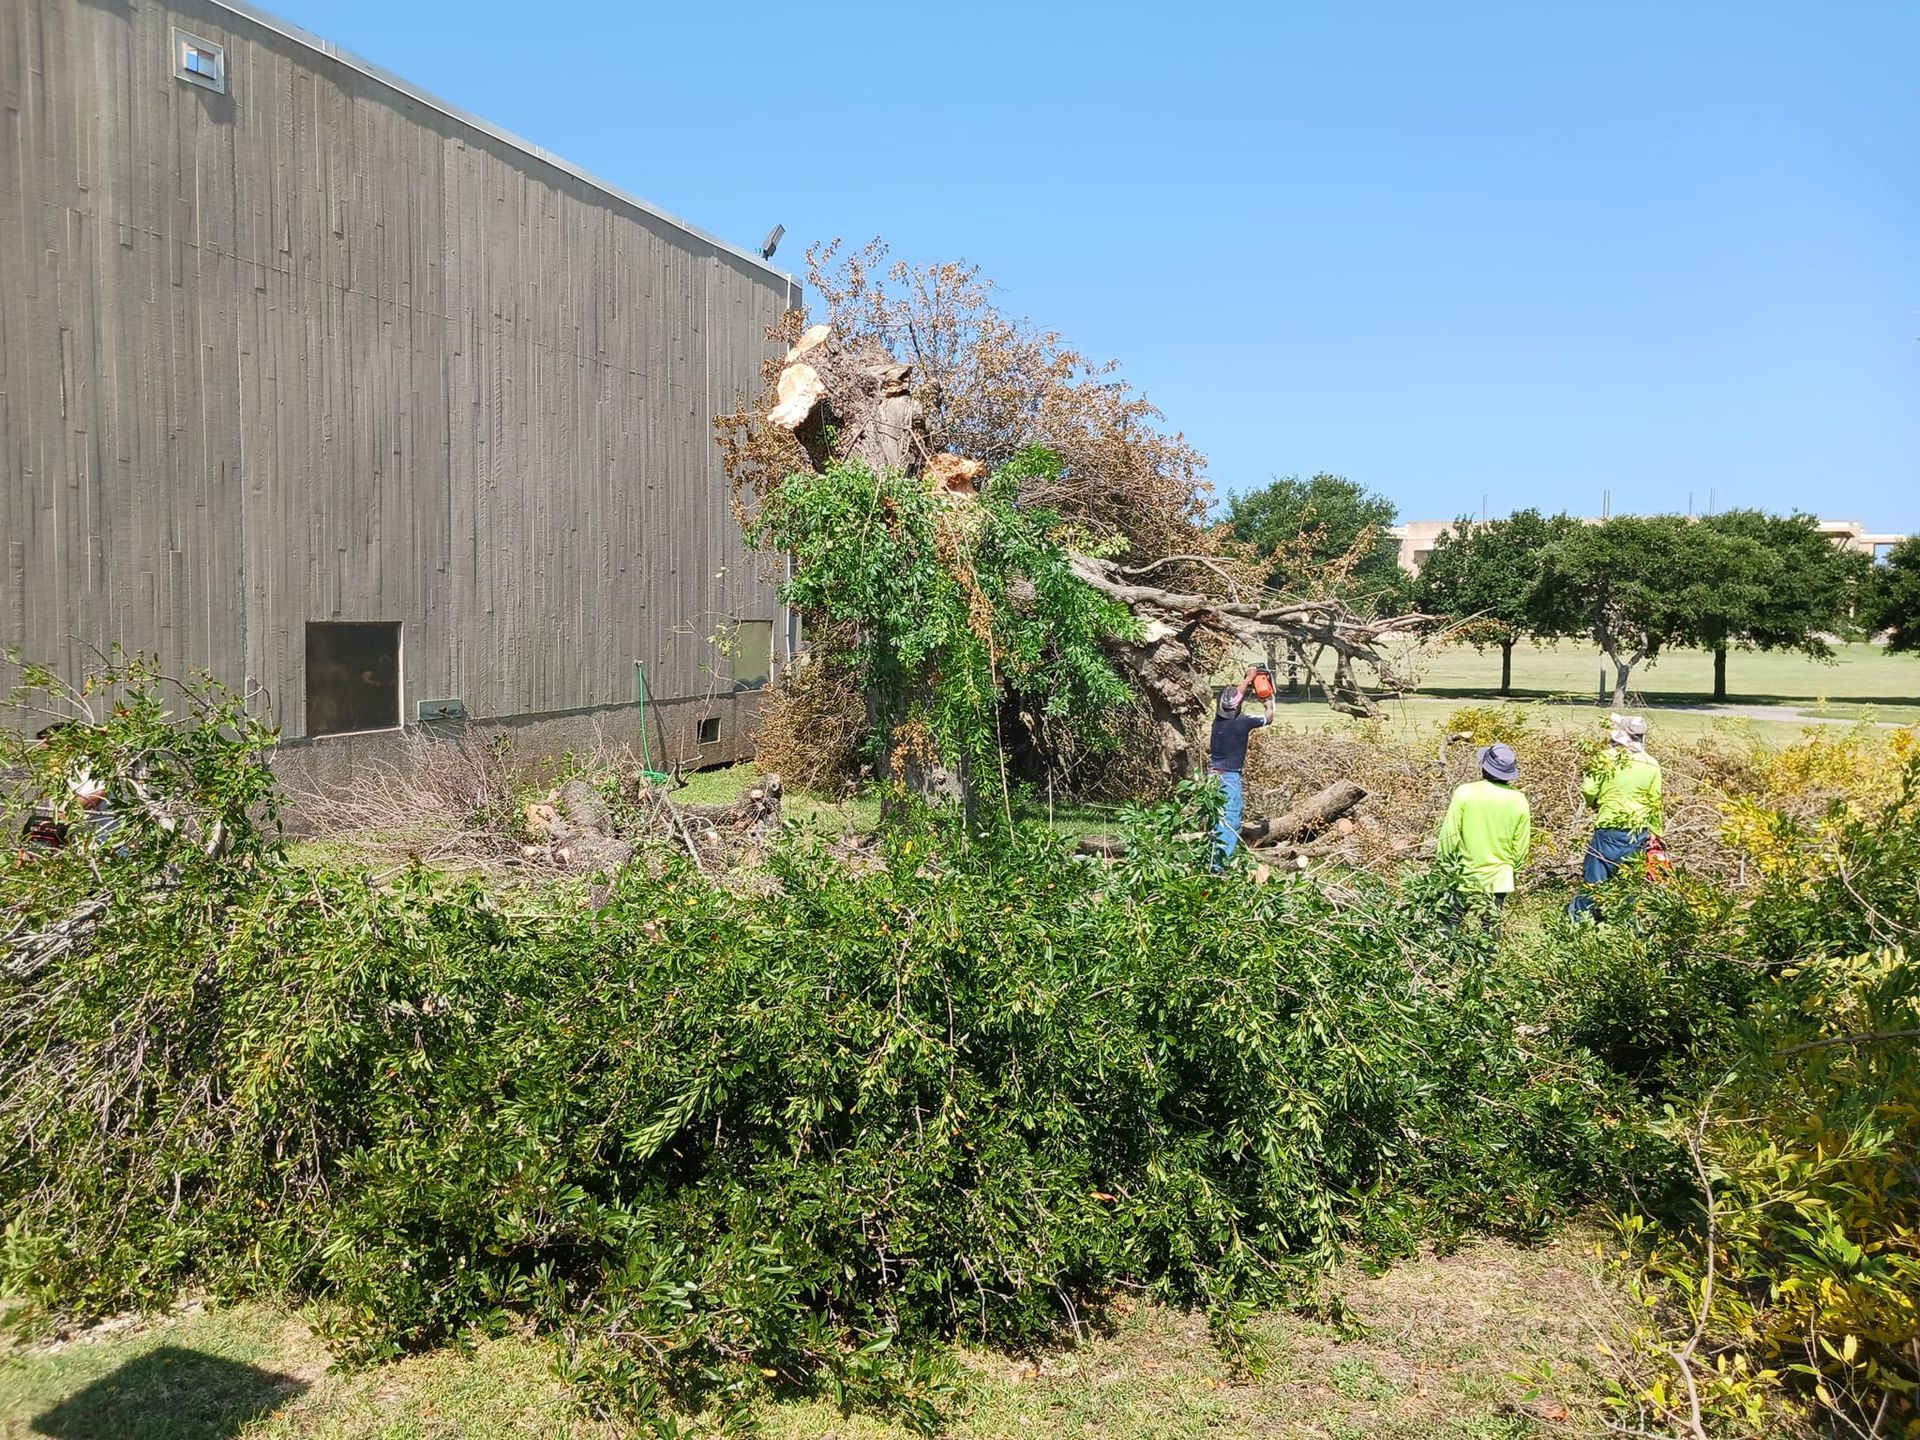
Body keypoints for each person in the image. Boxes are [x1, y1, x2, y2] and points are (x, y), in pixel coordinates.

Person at [1570, 713, 1663, 920]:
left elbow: (1589, 789)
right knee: (1628, 883)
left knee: (1594, 880)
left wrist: (1594, 803)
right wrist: (1656, 833)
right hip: (1637, 832)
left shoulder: (1605, 758)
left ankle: (1581, 923)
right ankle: (1624, 925)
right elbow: (1655, 803)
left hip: (1608, 828)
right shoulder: (1652, 764)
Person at [1435, 742, 1532, 921]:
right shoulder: (1519, 800)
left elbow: (1449, 836)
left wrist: (1444, 865)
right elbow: (1521, 846)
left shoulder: (1465, 793)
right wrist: (1512, 870)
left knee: (1448, 930)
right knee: (1490, 934)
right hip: (1499, 878)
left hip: (1464, 874)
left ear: (1484, 767)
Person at [1208, 666, 1275, 867]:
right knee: (1230, 821)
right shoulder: (1243, 723)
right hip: (1229, 777)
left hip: (1212, 776)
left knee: (1215, 818)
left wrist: (1248, 679)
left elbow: (1233, 698)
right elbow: (1269, 718)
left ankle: (1210, 860)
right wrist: (1269, 701)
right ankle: (1219, 869)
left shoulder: (1218, 722)